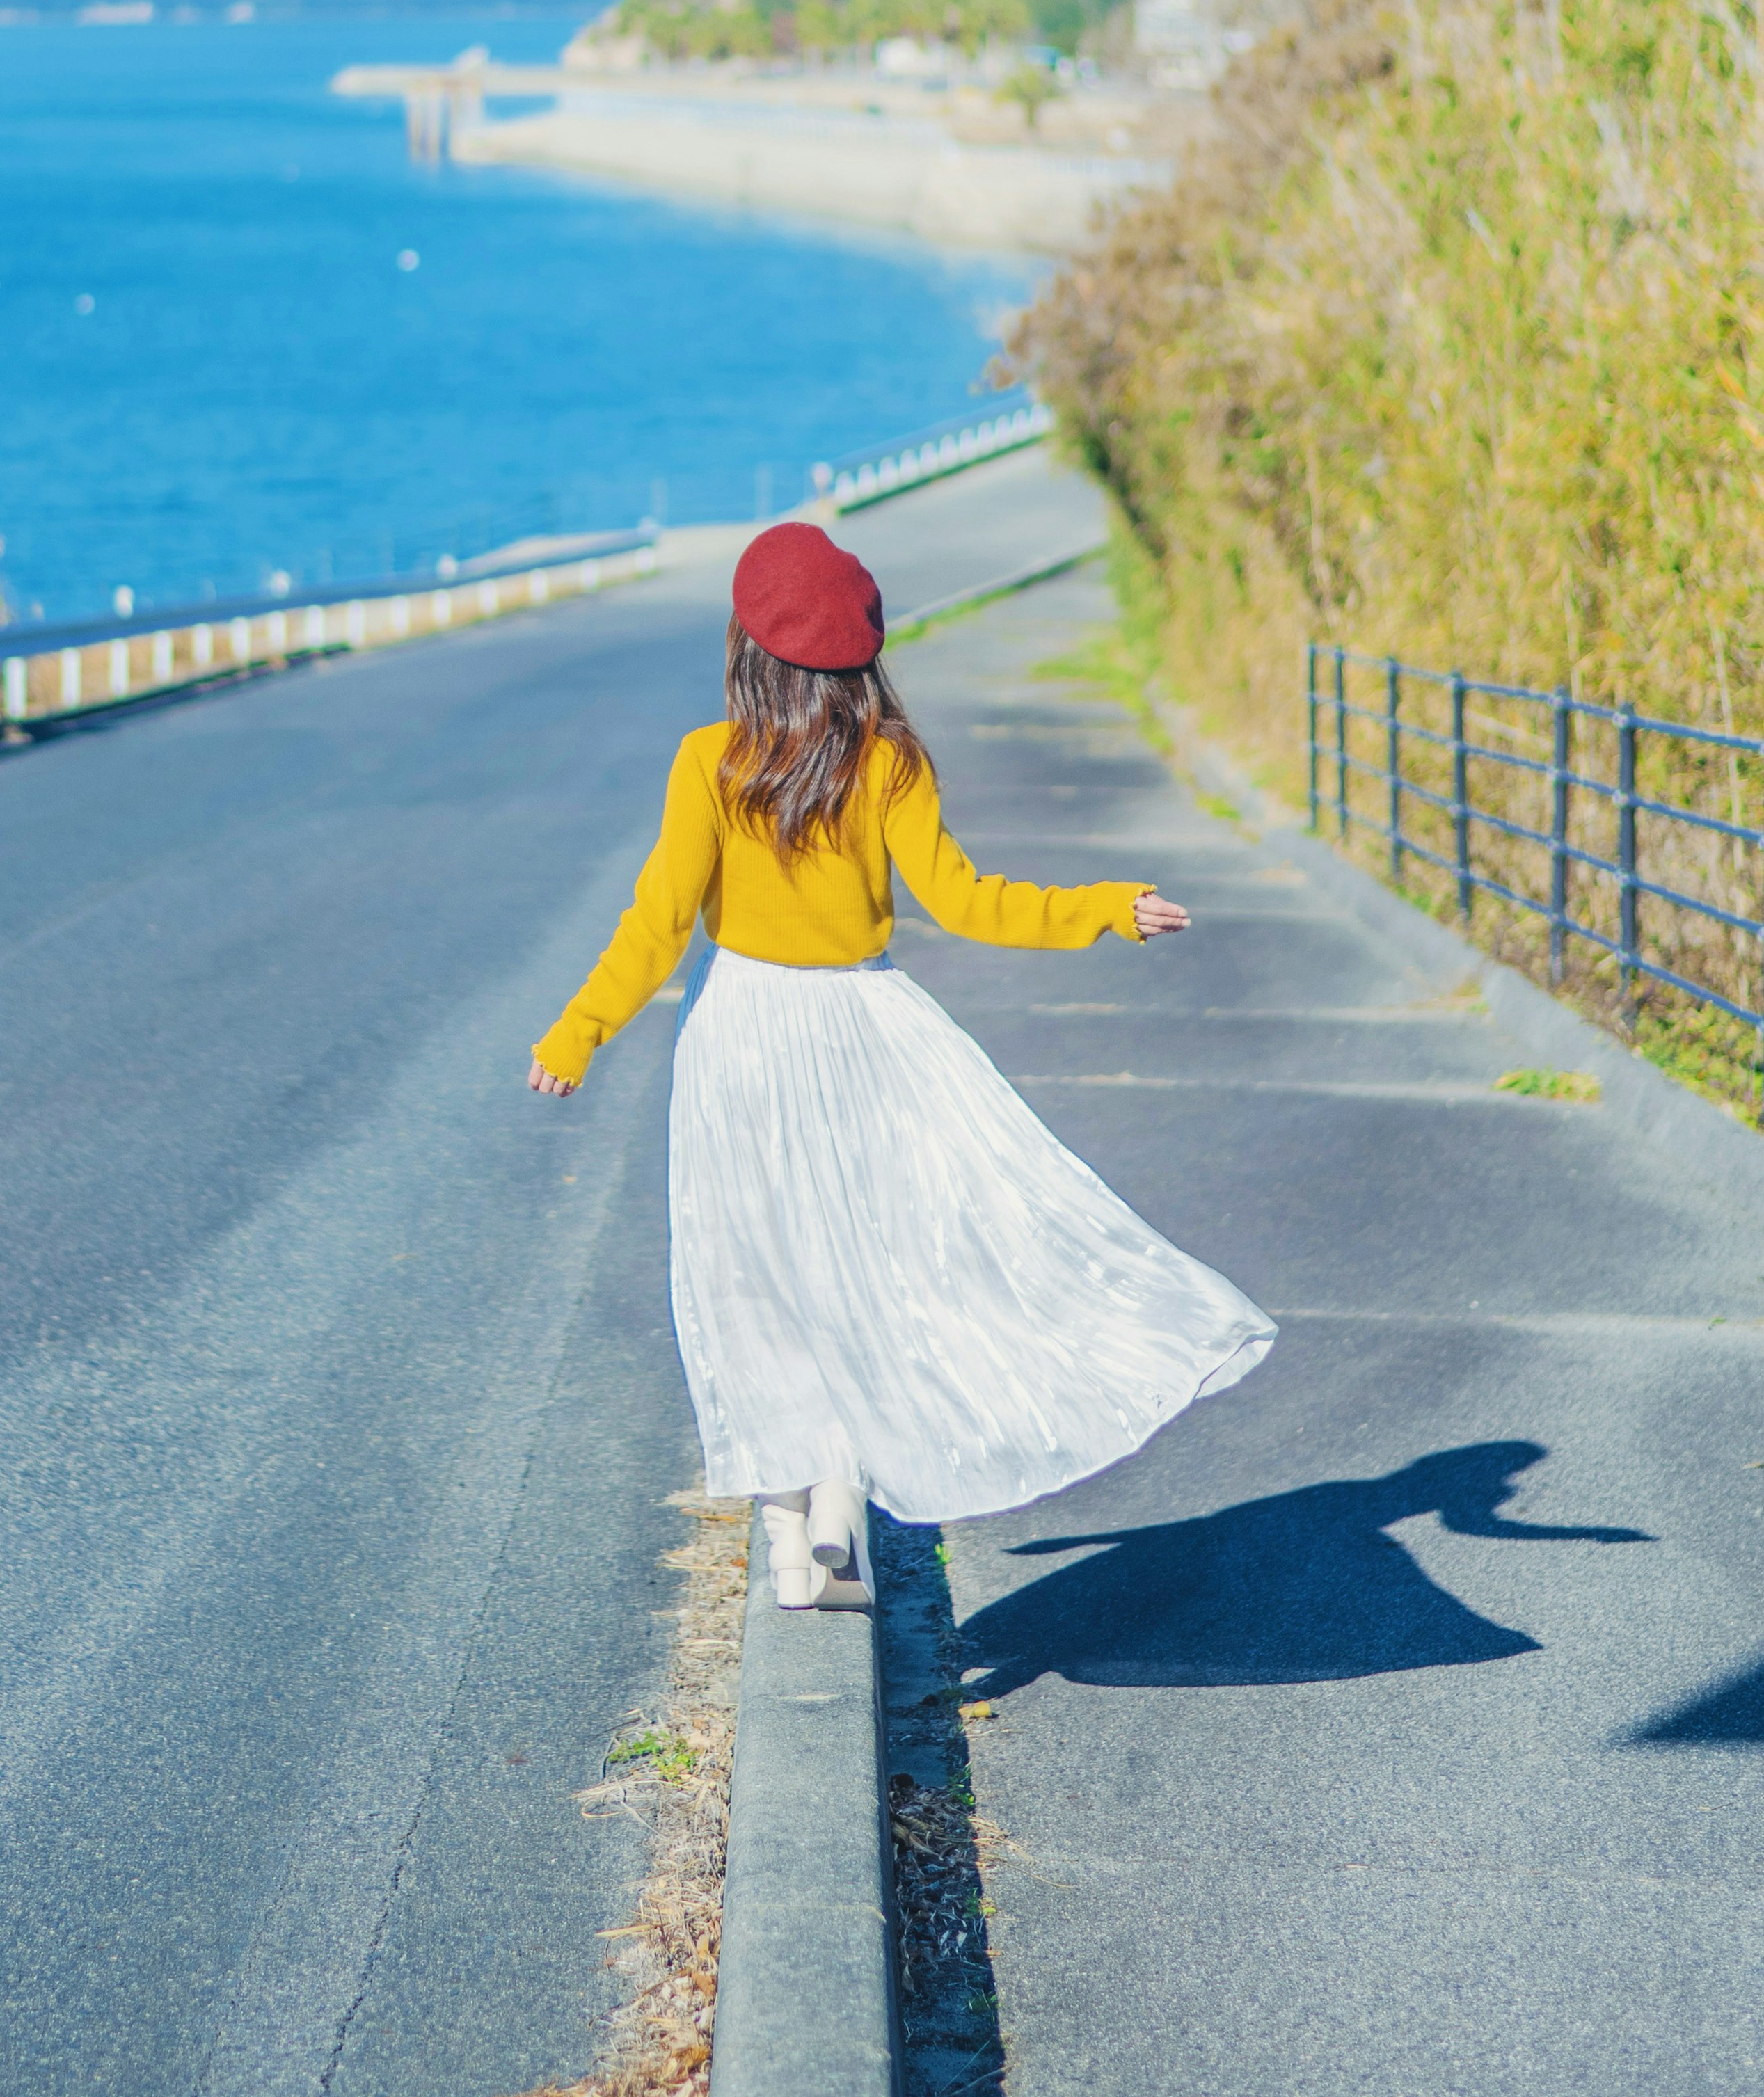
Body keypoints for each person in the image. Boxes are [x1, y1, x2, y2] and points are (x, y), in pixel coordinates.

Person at [528, 520, 1274, 1613]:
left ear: (747, 645)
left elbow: (658, 926)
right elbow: (973, 901)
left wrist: (576, 1034)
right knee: (865, 1266)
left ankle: (792, 1543)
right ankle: (841, 1502)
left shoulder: (710, 761)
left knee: (756, 1277)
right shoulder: (888, 761)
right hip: (868, 1032)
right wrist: (1105, 909)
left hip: (742, 1036)